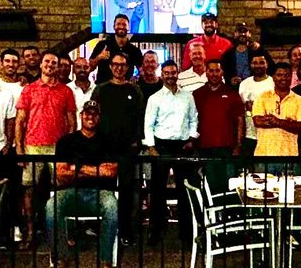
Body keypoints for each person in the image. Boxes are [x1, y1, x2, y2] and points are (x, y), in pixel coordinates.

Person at [42, 101, 121, 268]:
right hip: (71, 191)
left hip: (100, 193)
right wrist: (96, 170)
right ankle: (59, 260)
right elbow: (61, 175)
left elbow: (110, 172)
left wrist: (78, 168)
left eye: (94, 114)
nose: (90, 117)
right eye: (87, 113)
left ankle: (106, 262)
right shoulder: (66, 142)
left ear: (99, 117)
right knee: (51, 206)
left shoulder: (108, 141)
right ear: (81, 116)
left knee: (112, 206)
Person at [14, 51, 77, 247]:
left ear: (59, 67)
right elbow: (20, 121)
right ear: (41, 65)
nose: (50, 65)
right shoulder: (29, 90)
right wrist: (19, 148)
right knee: (29, 190)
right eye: (47, 62)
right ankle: (31, 232)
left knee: (61, 190)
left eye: (54, 62)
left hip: (58, 148)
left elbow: (72, 123)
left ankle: (62, 232)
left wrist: (69, 149)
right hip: (33, 146)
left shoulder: (66, 91)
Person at [143, 60, 199, 244]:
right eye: (166, 73)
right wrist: (151, 147)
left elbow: (194, 119)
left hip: (183, 145)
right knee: (157, 191)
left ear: (177, 73)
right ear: (162, 74)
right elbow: (148, 124)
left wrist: (191, 138)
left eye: (173, 72)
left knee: (185, 190)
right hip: (161, 145)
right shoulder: (155, 98)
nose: (170, 76)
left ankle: (186, 233)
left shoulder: (187, 96)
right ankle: (156, 232)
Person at [92, 52, 145, 245]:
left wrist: (136, 142)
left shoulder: (135, 90)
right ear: (110, 66)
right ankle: (105, 228)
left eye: (123, 65)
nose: (119, 68)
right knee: (104, 190)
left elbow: (140, 118)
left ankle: (125, 230)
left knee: (127, 191)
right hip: (104, 148)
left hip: (127, 150)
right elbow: (93, 117)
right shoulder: (100, 89)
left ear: (127, 67)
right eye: (115, 64)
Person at [193, 59, 245, 196]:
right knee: (210, 186)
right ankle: (211, 216)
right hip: (205, 148)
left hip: (227, 148)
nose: (214, 73)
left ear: (222, 72)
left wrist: (239, 144)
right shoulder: (197, 94)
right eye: (211, 70)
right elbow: (192, 119)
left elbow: (240, 120)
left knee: (229, 187)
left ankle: (229, 216)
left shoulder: (232, 93)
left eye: (217, 70)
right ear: (206, 72)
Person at [252, 61, 301, 171]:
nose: (283, 78)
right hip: (264, 156)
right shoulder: (262, 97)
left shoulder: (299, 100)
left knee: (291, 188)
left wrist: (277, 121)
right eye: (279, 75)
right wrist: (289, 123)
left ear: (291, 77)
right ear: (273, 77)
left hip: (290, 156)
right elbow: (258, 121)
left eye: (287, 75)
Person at [238, 51, 275, 160]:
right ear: (250, 65)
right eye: (255, 62)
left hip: (269, 135)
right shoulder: (244, 84)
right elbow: (241, 110)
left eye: (261, 62)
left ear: (267, 64)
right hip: (249, 134)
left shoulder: (273, 83)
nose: (258, 65)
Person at [91, 14, 144, 84]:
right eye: (118, 24)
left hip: (126, 90)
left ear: (128, 27)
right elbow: (91, 66)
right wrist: (99, 57)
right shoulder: (102, 45)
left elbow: (142, 70)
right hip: (103, 89)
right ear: (114, 26)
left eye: (124, 24)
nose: (121, 26)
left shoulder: (134, 50)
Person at [219, 22, 274, 87]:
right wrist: (230, 79)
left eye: (245, 32)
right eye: (239, 32)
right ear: (235, 34)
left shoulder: (258, 50)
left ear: (249, 34)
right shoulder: (229, 54)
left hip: (254, 86)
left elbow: (271, 67)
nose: (242, 34)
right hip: (235, 88)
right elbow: (223, 71)